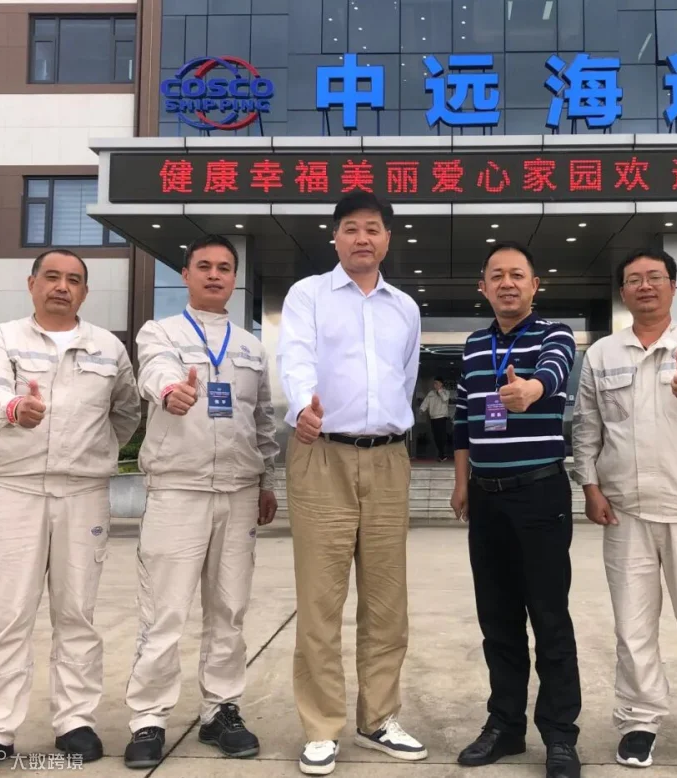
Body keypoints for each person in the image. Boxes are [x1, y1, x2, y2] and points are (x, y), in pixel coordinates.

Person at [0, 249, 141, 777]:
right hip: (18, 490)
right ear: (32, 284)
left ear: (85, 291)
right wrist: (14, 408)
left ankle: (75, 721)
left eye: (74, 280)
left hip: (83, 493)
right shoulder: (3, 339)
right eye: (52, 277)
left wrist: (93, 452)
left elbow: (126, 412)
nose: (62, 287)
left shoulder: (107, 347)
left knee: (76, 613)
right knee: (10, 614)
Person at [572, 249, 677, 772]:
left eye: (655, 278)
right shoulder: (603, 353)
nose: (645, 286)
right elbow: (587, 425)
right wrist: (590, 485)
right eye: (634, 280)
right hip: (626, 513)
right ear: (623, 292)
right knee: (633, 628)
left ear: (672, 286)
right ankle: (639, 721)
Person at [277, 191, 424, 776]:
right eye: (351, 228)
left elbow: (406, 378)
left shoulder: (405, 308)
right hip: (321, 453)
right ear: (334, 237)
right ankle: (321, 726)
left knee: (387, 602)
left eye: (373, 228)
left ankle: (379, 717)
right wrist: (302, 406)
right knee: (320, 600)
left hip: (387, 459)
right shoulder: (308, 294)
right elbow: (295, 358)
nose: (362, 238)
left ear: (387, 239)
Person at [122, 234, 279, 769]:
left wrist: (266, 482)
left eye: (224, 267)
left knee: (229, 610)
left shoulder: (251, 346)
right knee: (164, 610)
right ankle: (148, 718)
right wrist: (172, 391)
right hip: (178, 489)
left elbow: (262, 420)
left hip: (238, 492)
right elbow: (154, 371)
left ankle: (220, 710)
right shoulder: (160, 332)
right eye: (204, 266)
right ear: (186, 274)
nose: (215, 275)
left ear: (235, 278)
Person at [450, 241, 581, 778]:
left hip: (539, 494)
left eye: (518, 275)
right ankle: (505, 725)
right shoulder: (473, 345)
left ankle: (560, 735)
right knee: (497, 619)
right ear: (483, 287)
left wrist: (531, 389)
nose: (508, 283)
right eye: (497, 276)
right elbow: (463, 419)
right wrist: (462, 484)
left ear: (534, 285)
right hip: (486, 497)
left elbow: (555, 370)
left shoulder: (555, 333)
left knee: (549, 618)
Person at [420, 377, 450, 460]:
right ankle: (441, 453)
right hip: (433, 418)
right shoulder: (431, 393)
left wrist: (439, 390)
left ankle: (442, 453)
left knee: (442, 436)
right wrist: (422, 409)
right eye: (434, 383)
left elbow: (445, 399)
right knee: (436, 436)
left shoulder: (446, 392)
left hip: (442, 417)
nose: (435, 385)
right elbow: (426, 402)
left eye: (437, 383)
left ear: (441, 384)